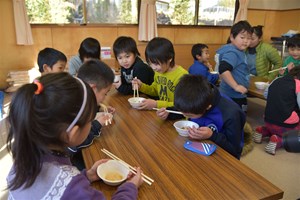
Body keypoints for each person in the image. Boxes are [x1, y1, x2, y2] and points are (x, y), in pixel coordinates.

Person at [6, 72, 143, 199]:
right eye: (91, 120)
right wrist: (130, 188)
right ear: (73, 133)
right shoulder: (74, 188)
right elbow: (69, 190)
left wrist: (86, 176)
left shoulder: (24, 160)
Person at [173, 74, 245, 159]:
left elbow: (234, 151)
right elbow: (184, 109)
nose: (184, 115)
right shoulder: (196, 101)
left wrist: (212, 135)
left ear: (208, 107)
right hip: (197, 148)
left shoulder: (231, 113)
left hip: (222, 157)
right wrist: (167, 113)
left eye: (189, 115)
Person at [69, 59, 115, 168]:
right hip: (71, 162)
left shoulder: (78, 95)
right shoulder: (73, 108)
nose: (105, 98)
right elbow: (76, 141)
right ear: (92, 88)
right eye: (105, 93)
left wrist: (99, 108)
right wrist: (98, 124)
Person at [253, 66, 300, 155]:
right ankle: (279, 140)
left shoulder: (277, 79)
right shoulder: (298, 84)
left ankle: (263, 131)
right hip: (285, 125)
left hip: (268, 119)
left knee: (274, 125)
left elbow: (266, 95)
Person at [131, 37, 188, 110]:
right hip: (163, 113)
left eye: (156, 63)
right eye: (149, 63)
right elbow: (155, 90)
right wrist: (141, 86)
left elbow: (183, 105)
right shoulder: (158, 71)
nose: (153, 67)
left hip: (177, 117)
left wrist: (156, 104)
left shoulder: (182, 76)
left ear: (170, 58)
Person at [216, 20, 252, 112]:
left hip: (230, 94)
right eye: (242, 37)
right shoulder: (233, 52)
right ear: (232, 37)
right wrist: (236, 86)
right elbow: (223, 69)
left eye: (249, 38)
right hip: (233, 95)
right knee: (236, 120)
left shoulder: (238, 51)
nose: (245, 41)